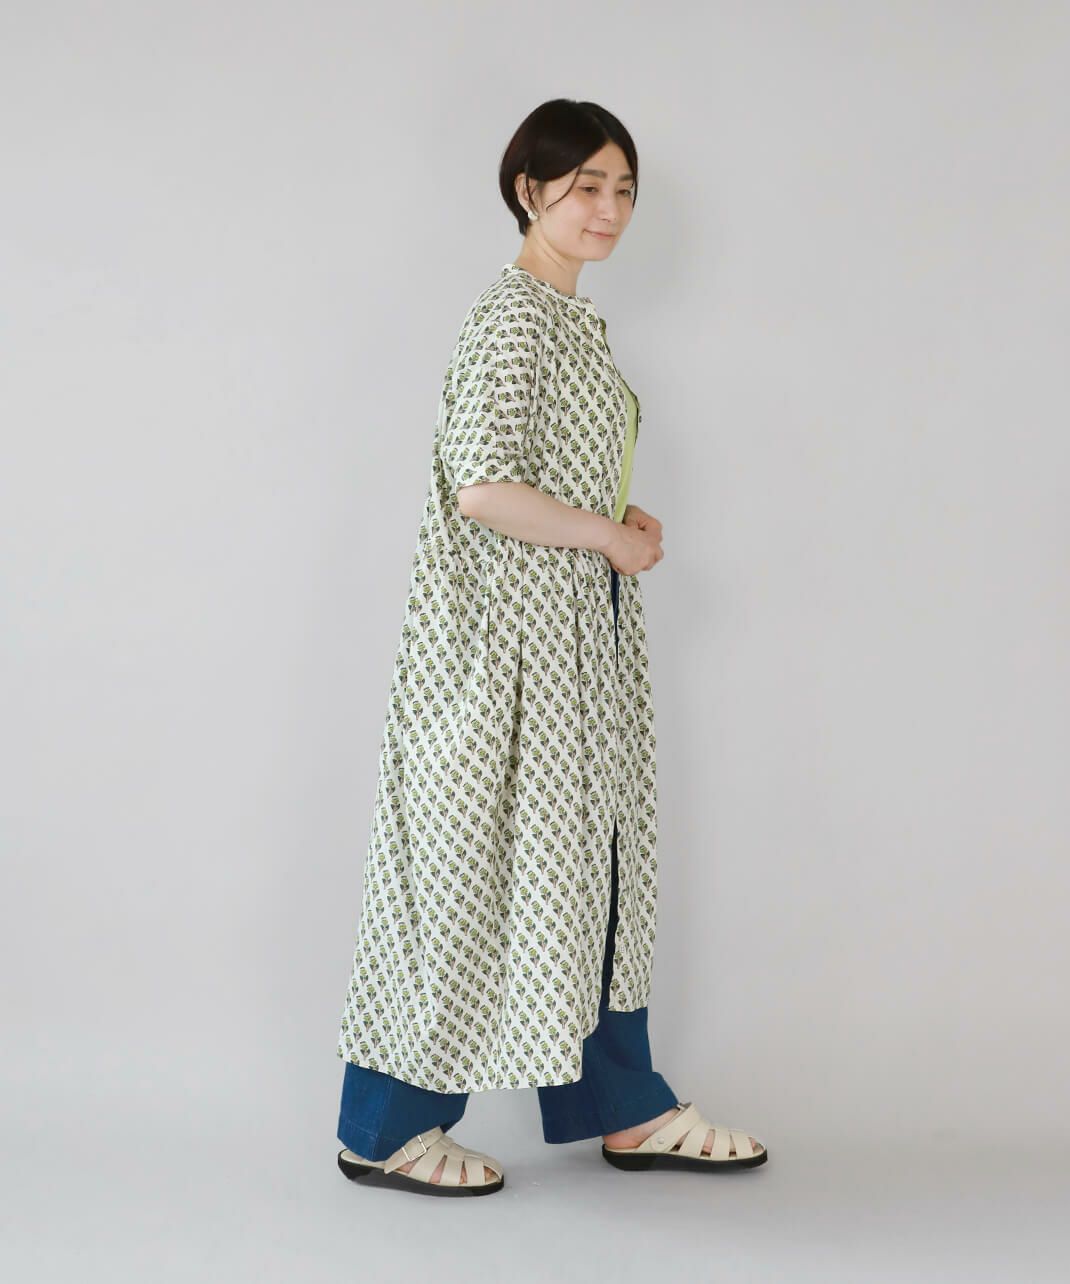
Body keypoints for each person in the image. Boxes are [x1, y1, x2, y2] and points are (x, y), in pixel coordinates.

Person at [334, 98, 768, 1196]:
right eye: (585, 187)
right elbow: (482, 487)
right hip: (498, 654)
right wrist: (603, 537)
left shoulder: (571, 321)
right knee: (463, 871)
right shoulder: (513, 318)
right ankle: (382, 1128)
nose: (608, 209)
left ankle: (626, 1106)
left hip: (572, 645)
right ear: (528, 191)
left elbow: (544, 479)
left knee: (593, 867)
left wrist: (617, 523)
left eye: (623, 189)